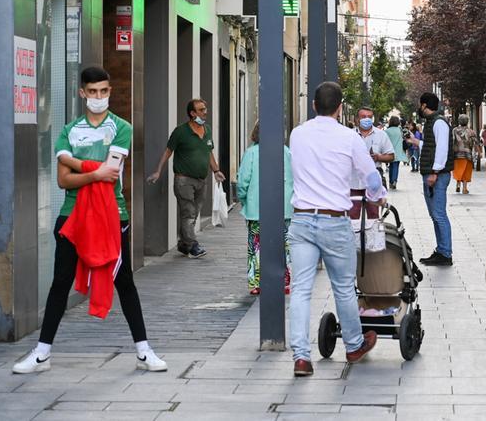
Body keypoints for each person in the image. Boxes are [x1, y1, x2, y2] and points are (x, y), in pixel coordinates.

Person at [14, 66, 166, 374]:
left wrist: (73, 161)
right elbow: (62, 181)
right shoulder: (69, 129)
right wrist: (92, 171)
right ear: (82, 92)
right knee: (60, 282)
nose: (99, 97)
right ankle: (42, 354)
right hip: (72, 216)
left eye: (104, 91)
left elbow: (109, 174)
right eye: (93, 92)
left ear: (110, 91)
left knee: (125, 282)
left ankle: (143, 350)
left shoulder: (121, 127)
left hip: (113, 215)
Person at [287, 82, 382, 376]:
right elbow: (372, 178)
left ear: (314, 105)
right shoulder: (348, 138)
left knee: (301, 290)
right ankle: (353, 346)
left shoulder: (297, 134)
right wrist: (377, 196)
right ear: (341, 109)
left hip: (301, 219)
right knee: (342, 288)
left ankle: (301, 358)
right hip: (334, 220)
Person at [147, 98, 225, 258]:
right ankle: (194, 246)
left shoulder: (207, 130)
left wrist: (216, 170)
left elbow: (208, 152)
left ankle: (184, 244)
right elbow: (168, 151)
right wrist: (158, 171)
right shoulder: (180, 131)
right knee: (188, 213)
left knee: (194, 213)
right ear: (192, 113)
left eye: (205, 109)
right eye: (201, 110)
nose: (205, 112)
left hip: (201, 181)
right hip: (184, 181)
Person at [236, 122, 294, 295]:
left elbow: (242, 182)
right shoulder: (286, 152)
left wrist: (244, 199)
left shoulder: (251, 153)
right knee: (283, 244)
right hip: (282, 208)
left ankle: (255, 283)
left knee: (256, 246)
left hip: (256, 209)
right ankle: (283, 281)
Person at [417, 92, 455, 266]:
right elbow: (432, 147)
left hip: (436, 175)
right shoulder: (433, 122)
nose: (420, 108)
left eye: (420, 105)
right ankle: (441, 250)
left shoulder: (439, 122)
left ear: (425, 105)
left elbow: (441, 149)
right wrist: (417, 143)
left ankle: (445, 253)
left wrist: (434, 172)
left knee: (439, 215)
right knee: (435, 215)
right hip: (433, 173)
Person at [357, 107, 395, 187]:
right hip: (354, 176)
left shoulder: (381, 135)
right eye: (363, 117)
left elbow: (391, 156)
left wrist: (378, 157)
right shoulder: (351, 135)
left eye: (369, 117)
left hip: (374, 175)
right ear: (357, 119)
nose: (367, 119)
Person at [453, 114, 478, 195]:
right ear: (467, 121)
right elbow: (476, 143)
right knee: (466, 171)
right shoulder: (471, 131)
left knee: (458, 170)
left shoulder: (454, 130)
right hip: (467, 155)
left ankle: (457, 184)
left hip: (457, 154)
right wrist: (479, 152)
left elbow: (452, 141)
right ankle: (464, 188)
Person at [383, 116, 408, 190]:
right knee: (396, 166)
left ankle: (391, 181)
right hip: (398, 151)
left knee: (391, 166)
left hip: (389, 151)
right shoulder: (399, 130)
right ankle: (394, 181)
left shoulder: (387, 131)